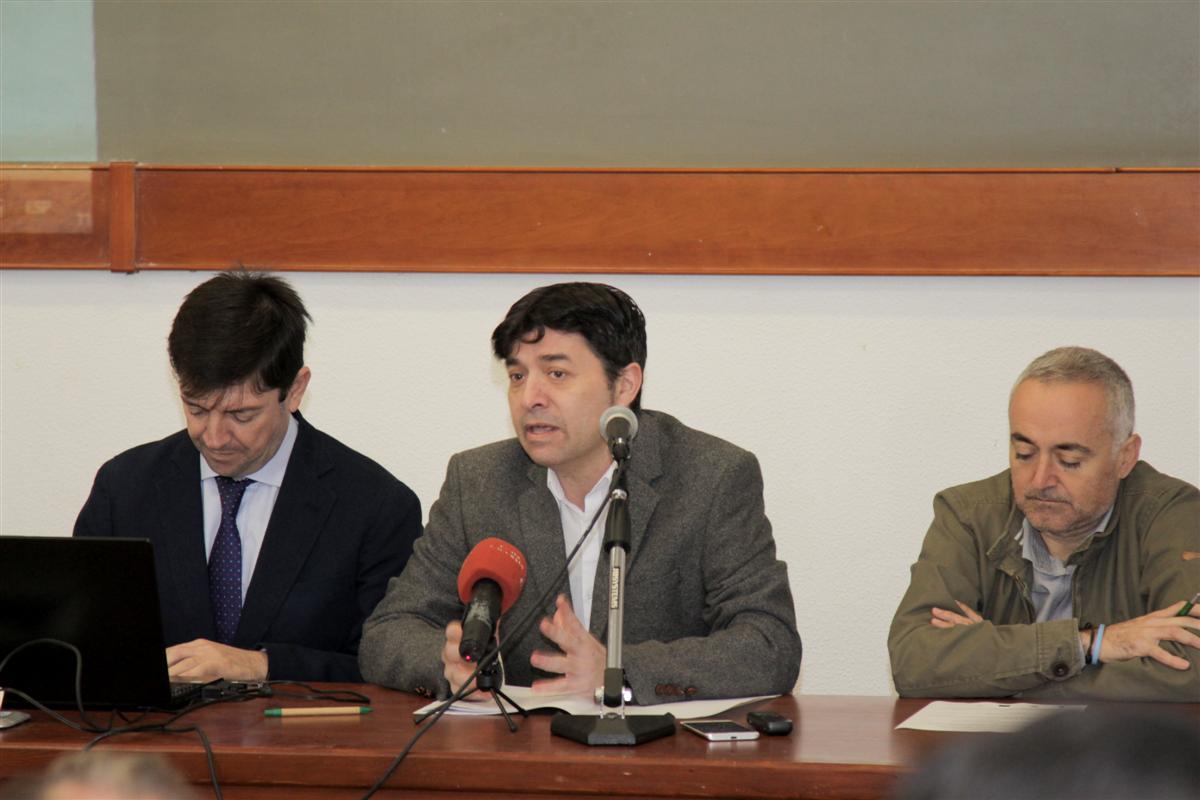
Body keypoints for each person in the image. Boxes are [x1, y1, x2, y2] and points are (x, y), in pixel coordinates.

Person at [359, 282, 800, 702]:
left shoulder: (712, 477)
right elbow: (390, 630)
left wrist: (619, 670)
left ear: (624, 385)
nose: (530, 396)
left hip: (662, 756)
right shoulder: (476, 481)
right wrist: (447, 663)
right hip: (520, 756)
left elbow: (769, 643)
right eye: (516, 375)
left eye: (556, 373)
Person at [75, 271, 421, 683]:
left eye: (241, 415)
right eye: (197, 409)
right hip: (155, 742)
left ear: (294, 390)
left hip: (304, 744)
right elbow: (80, 649)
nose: (215, 437)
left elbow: (388, 665)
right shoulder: (124, 490)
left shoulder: (374, 506)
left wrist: (262, 665)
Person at [889, 346, 1200, 701]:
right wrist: (1092, 644)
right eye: (1024, 454)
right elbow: (915, 660)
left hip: (1124, 754)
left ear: (1125, 457)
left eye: (1068, 460)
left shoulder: (1172, 515)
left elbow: (1192, 669)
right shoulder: (969, 515)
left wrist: (1001, 671)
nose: (1040, 480)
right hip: (996, 753)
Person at [892, 706, 1200, 800]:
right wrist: (1093, 646)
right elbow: (920, 662)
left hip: (1142, 750)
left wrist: (1002, 656)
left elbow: (1185, 664)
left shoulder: (1172, 552)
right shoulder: (959, 549)